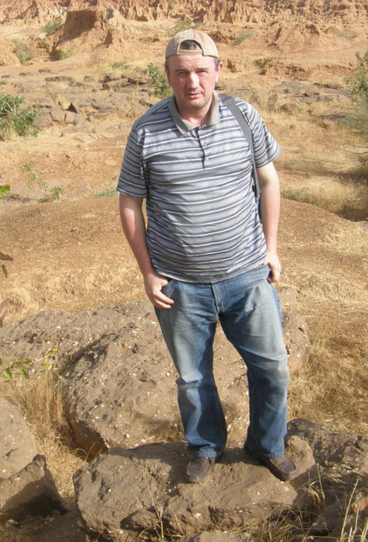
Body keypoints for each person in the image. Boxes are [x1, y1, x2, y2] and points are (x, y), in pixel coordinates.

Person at [117, 29, 295, 484]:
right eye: (181, 73)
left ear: (218, 71)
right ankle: (206, 446)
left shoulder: (243, 116)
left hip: (247, 274)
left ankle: (266, 444)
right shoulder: (146, 131)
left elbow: (269, 181)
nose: (191, 82)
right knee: (194, 380)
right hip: (180, 283)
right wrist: (147, 273)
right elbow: (129, 203)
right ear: (168, 76)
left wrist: (271, 249)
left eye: (200, 71)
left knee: (271, 366)